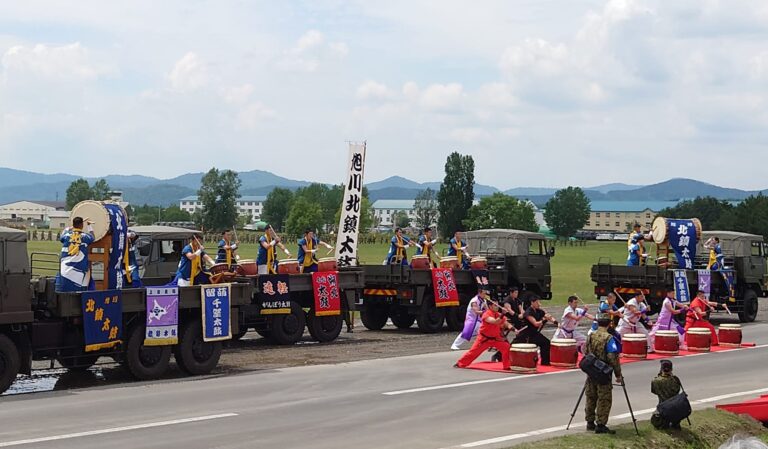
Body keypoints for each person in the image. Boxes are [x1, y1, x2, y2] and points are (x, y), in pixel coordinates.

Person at [584, 313, 623, 434]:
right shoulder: (609, 338)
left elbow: (585, 351)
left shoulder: (591, 335)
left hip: (591, 370)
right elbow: (613, 358)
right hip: (603, 372)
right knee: (604, 398)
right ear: (609, 324)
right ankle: (600, 424)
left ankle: (590, 422)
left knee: (591, 396)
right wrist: (618, 374)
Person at [455, 298, 512, 370]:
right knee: (473, 352)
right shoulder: (486, 314)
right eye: (495, 305)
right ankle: (460, 363)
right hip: (484, 339)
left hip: (495, 339)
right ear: (490, 306)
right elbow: (495, 322)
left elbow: (506, 323)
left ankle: (506, 366)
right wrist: (503, 314)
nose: (497, 307)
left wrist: (513, 329)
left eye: (498, 305)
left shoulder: (498, 314)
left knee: (506, 347)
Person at [55, 216, 96, 292]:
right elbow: (93, 237)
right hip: (79, 269)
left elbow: (62, 235)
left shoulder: (66, 236)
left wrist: (70, 228)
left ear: (73, 224)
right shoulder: (85, 237)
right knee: (80, 290)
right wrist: (89, 226)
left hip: (65, 269)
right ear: (82, 225)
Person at [512, 296, 554, 366]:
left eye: (539, 302)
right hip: (525, 334)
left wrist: (556, 323)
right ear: (532, 303)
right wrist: (544, 320)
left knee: (546, 342)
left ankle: (545, 362)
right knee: (511, 346)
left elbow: (549, 316)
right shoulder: (528, 312)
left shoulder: (539, 310)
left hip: (534, 333)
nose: (539, 304)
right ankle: (498, 356)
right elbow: (536, 324)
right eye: (537, 302)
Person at [650, 359, 684, 430]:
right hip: (675, 408)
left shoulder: (655, 381)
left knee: (656, 419)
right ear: (671, 369)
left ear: (661, 369)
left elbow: (654, 391)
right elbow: (677, 391)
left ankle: (664, 423)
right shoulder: (675, 380)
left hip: (663, 408)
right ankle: (675, 423)